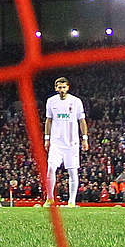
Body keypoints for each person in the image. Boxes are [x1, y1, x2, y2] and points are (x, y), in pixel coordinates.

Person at [42, 77, 88, 207]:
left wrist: (84, 138)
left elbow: (82, 120)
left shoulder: (76, 101)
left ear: (68, 87)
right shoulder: (51, 101)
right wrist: (47, 138)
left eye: (64, 87)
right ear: (56, 88)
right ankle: (50, 198)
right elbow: (48, 120)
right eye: (59, 87)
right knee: (51, 168)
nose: (62, 90)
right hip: (56, 142)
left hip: (72, 142)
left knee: (72, 171)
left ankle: (72, 201)